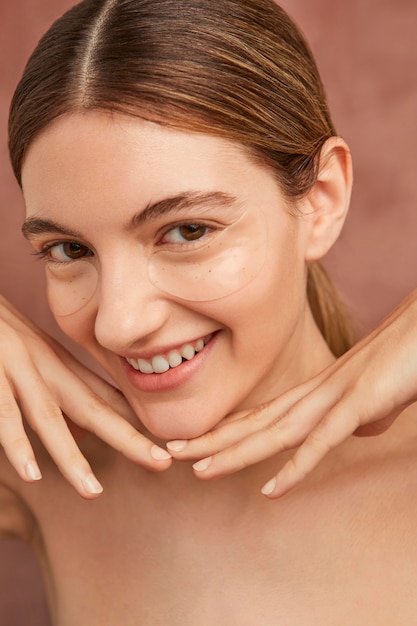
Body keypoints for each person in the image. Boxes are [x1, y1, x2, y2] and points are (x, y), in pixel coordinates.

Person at [1, 0, 417, 622]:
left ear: (322, 201)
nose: (119, 322)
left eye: (188, 231)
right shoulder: (44, 475)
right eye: (69, 249)